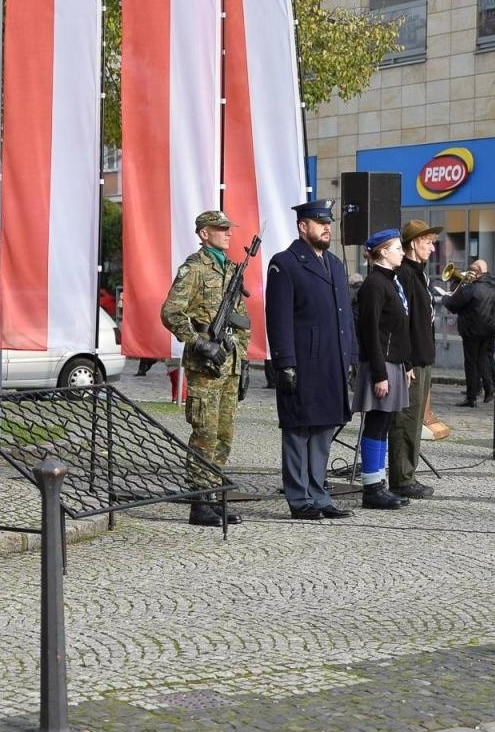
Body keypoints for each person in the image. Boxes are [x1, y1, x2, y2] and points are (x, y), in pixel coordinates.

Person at [265, 199, 357, 521]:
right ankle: (298, 498)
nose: (327, 227)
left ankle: (319, 495)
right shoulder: (285, 263)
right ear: (303, 226)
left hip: (332, 363)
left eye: (328, 222)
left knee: (322, 431)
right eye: (320, 223)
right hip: (303, 362)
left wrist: (352, 356)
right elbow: (278, 319)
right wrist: (284, 363)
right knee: (298, 431)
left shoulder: (334, 263)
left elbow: (345, 316)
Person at [159, 210, 248, 527]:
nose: (227, 233)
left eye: (228, 228)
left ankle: (214, 496)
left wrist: (243, 357)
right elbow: (170, 311)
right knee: (204, 435)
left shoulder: (232, 268)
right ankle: (199, 503)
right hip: (205, 367)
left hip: (229, 363)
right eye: (219, 229)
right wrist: (196, 342)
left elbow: (241, 319)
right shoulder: (194, 268)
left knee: (224, 436)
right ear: (203, 234)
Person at [352, 230, 412, 509]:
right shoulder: (375, 285)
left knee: (385, 422)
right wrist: (379, 374)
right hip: (381, 365)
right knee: (376, 423)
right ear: (383, 252)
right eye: (398, 248)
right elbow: (370, 333)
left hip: (393, 363)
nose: (402, 252)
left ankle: (379, 483)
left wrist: (406, 365)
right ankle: (371, 487)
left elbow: (399, 329)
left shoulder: (390, 282)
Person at [390, 220, 439, 499]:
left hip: (423, 356)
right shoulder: (406, 275)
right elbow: (401, 323)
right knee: (406, 420)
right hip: (412, 360)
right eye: (427, 242)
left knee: (414, 418)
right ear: (412, 244)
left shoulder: (419, 274)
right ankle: (402, 478)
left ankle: (408, 473)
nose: (432, 248)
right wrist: (406, 362)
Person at [444, 259, 495, 407]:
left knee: (470, 363)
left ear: (474, 273)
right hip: (489, 329)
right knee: (483, 359)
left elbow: (452, 304)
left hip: (471, 330)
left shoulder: (471, 289)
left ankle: (471, 397)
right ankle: (489, 387)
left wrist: (451, 292)